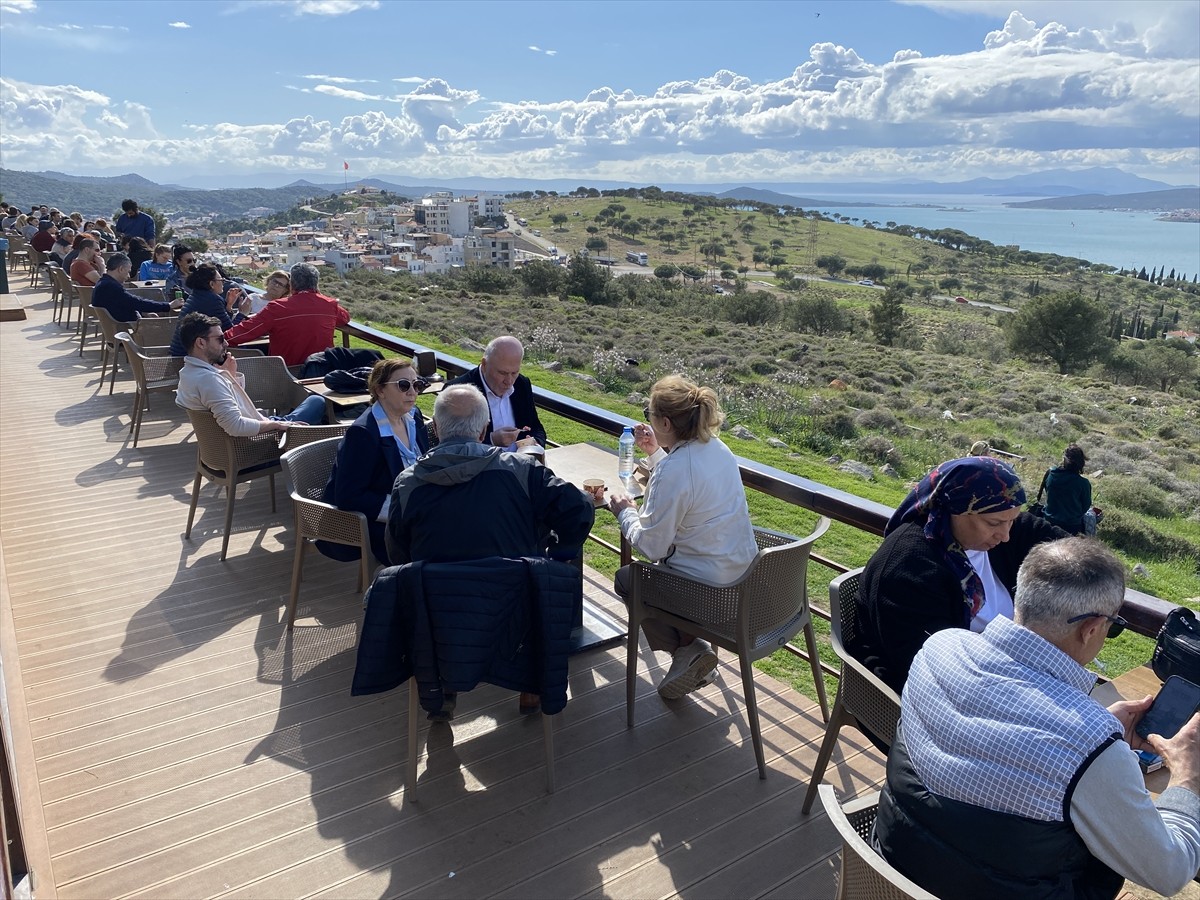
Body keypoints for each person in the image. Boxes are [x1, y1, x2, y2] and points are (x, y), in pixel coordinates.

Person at [875, 537, 1200, 899]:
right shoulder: (1088, 746)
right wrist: (1187, 776)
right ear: (1092, 628)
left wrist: (1100, 740)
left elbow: (994, 740)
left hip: (891, 869)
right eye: (1114, 625)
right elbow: (1169, 871)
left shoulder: (940, 647)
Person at [385, 384, 594, 715]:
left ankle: (444, 686)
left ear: (436, 429)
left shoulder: (407, 483)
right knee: (533, 587)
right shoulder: (523, 470)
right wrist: (559, 554)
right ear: (484, 430)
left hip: (439, 614)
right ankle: (530, 688)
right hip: (517, 609)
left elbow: (398, 554)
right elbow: (579, 509)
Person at [851, 456, 1066, 692]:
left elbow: (1075, 552)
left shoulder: (1000, 523)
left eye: (1012, 521)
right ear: (954, 509)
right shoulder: (909, 567)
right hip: (915, 691)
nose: (1005, 535)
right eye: (994, 523)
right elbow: (932, 666)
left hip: (991, 674)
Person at [602, 375, 758, 700]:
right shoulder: (717, 449)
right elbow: (686, 479)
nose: (648, 420)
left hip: (708, 595)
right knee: (658, 574)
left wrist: (625, 512)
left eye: (649, 415)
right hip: (742, 584)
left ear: (665, 423)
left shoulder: (675, 469)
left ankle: (688, 650)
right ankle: (691, 650)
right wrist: (656, 453)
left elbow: (651, 545)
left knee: (628, 579)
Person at [320, 358, 431, 567]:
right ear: (380, 390)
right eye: (403, 385)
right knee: (442, 540)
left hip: (416, 509)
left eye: (417, 384)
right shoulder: (363, 433)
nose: (412, 392)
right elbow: (349, 496)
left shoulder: (413, 417)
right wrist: (403, 510)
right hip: (376, 522)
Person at [174, 312, 325, 436]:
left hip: (238, 438)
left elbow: (234, 408)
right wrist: (277, 425)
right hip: (255, 443)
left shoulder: (188, 373)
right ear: (201, 343)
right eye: (220, 339)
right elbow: (236, 426)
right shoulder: (210, 380)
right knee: (318, 402)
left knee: (314, 402)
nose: (226, 343)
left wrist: (230, 377)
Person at [223, 262, 350, 368]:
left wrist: (221, 340)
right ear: (316, 283)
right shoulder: (329, 305)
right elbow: (345, 318)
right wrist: (319, 295)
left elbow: (245, 332)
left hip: (287, 373)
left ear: (292, 285)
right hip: (322, 369)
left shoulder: (278, 307)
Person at [447, 335, 547, 450]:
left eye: (514, 373)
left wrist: (535, 443)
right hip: (479, 462)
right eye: (502, 373)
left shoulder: (521, 384)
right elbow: (452, 445)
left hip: (520, 460)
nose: (509, 381)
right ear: (484, 365)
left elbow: (536, 428)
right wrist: (491, 440)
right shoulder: (458, 393)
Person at [168, 264, 248, 356]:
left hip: (180, 355)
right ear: (211, 284)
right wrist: (242, 313)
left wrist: (228, 306)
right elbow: (230, 333)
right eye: (221, 280)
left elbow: (221, 324)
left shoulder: (198, 295)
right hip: (188, 358)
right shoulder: (212, 299)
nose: (223, 282)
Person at [90, 253, 175, 322]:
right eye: (128, 272)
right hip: (127, 329)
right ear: (121, 269)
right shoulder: (110, 287)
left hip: (117, 327)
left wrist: (143, 313)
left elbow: (127, 303)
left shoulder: (103, 283)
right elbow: (136, 302)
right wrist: (168, 305)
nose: (129, 276)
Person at [1042, 443, 1093, 535]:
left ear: (1064, 459)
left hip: (1048, 522)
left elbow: (1047, 491)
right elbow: (1085, 506)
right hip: (1071, 526)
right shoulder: (1083, 483)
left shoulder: (1051, 474)